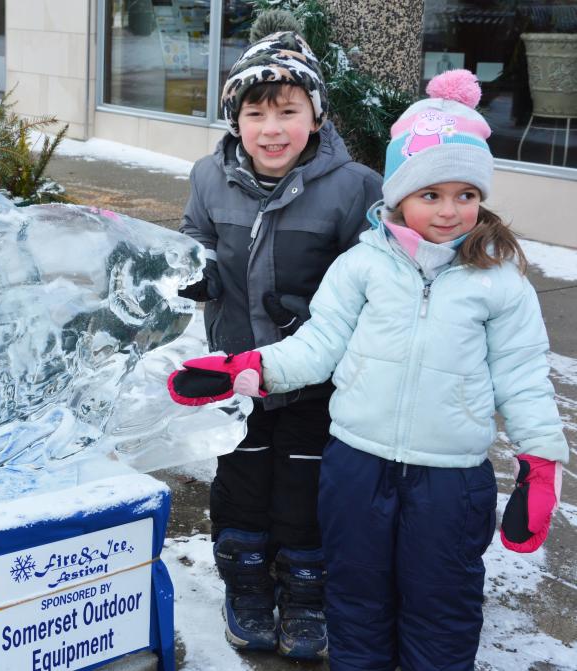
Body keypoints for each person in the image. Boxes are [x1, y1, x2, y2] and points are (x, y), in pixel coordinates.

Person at [168, 69, 568, 670]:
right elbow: (320, 342)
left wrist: (540, 459)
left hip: (450, 476)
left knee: (442, 599)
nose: (449, 211)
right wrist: (247, 369)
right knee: (354, 595)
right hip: (357, 460)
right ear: (399, 194)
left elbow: (522, 375)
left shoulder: (500, 284)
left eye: (466, 195)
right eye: (430, 194)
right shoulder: (363, 266)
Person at [175, 15, 382, 660]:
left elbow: (372, 279)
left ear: (315, 117)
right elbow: (195, 243)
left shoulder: (356, 188)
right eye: (256, 112)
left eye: (288, 110)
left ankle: (305, 596)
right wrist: (192, 276)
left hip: (317, 376)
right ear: (235, 118)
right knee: (241, 480)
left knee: (304, 487)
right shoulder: (209, 178)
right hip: (236, 368)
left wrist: (317, 324)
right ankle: (247, 589)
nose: (272, 128)